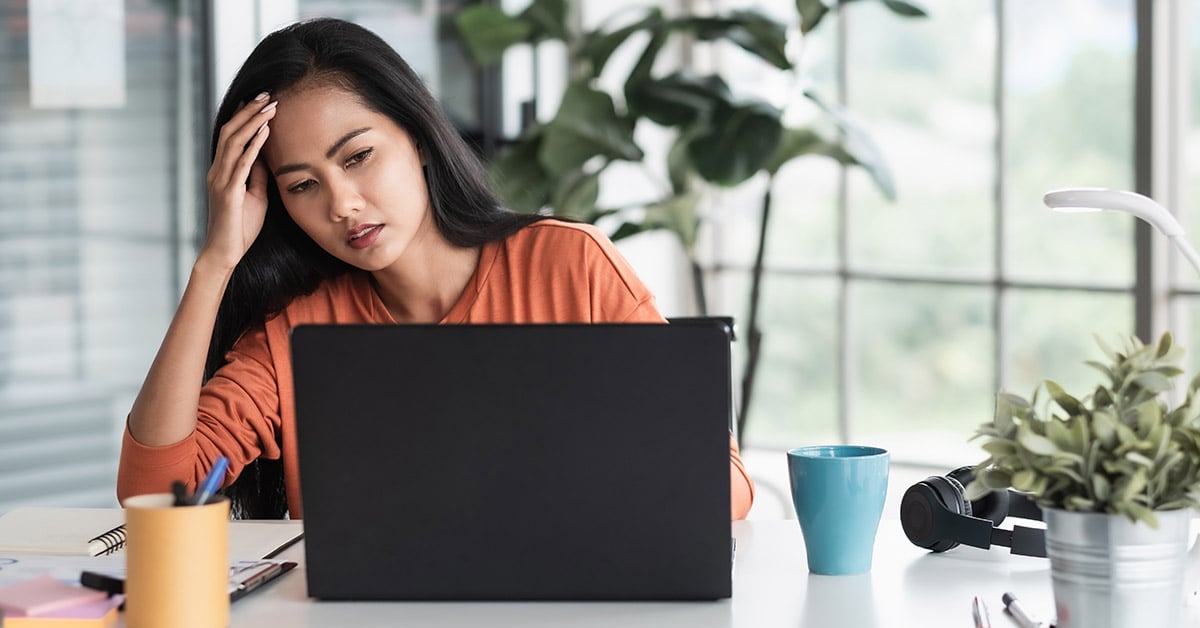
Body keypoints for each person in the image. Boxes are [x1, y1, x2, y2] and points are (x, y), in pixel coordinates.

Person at [116, 17, 755, 520]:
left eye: (358, 156)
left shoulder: (568, 265)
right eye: (302, 185)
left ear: (417, 136)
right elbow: (154, 494)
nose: (343, 204)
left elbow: (722, 488)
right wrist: (215, 262)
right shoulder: (298, 329)